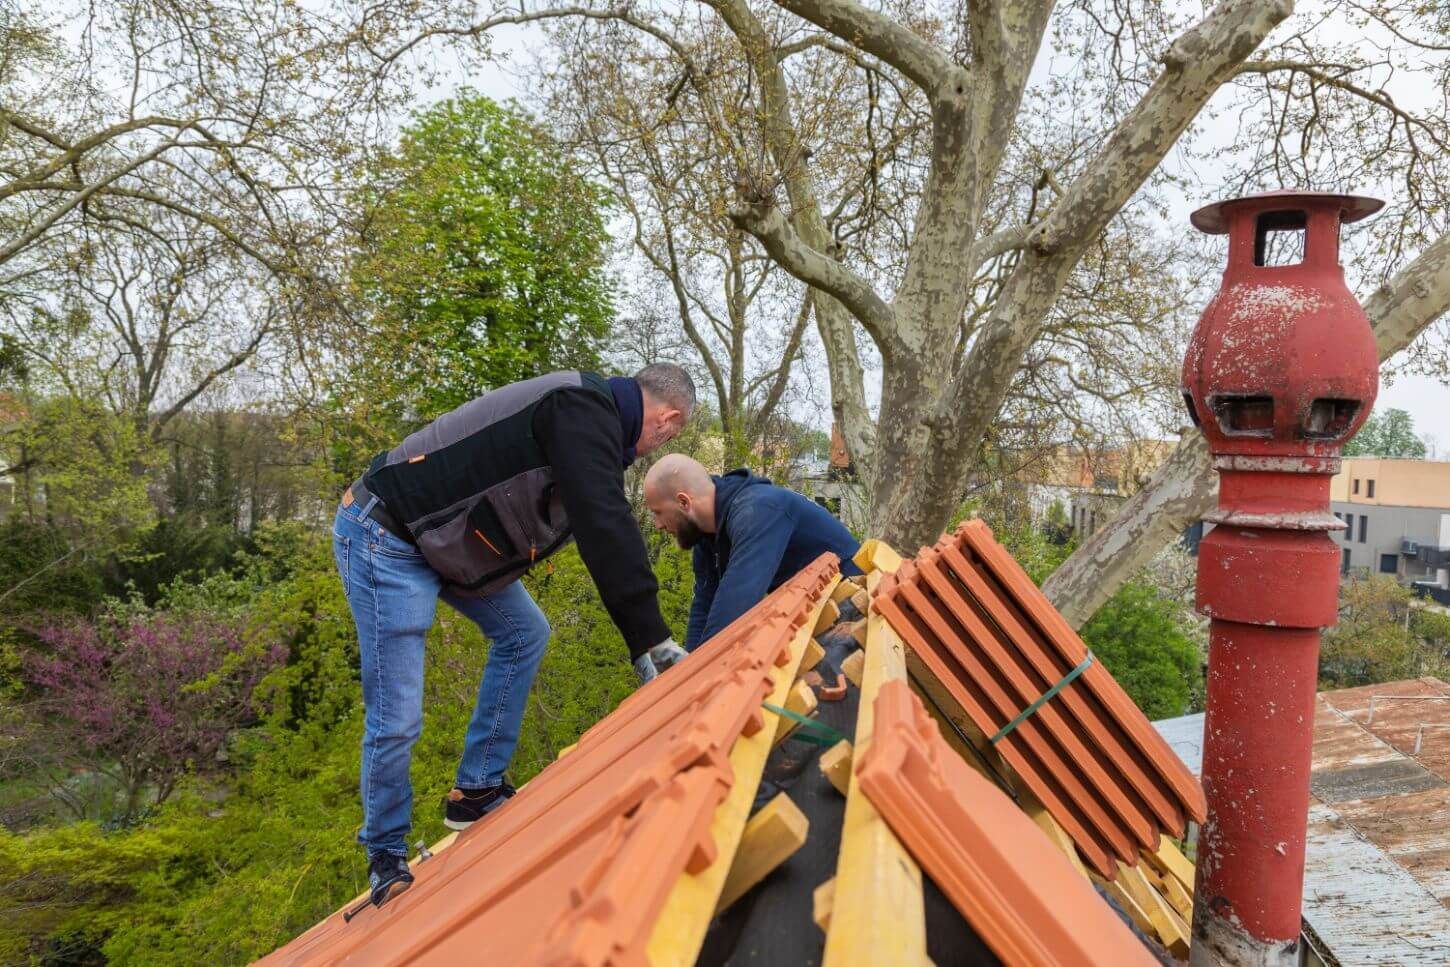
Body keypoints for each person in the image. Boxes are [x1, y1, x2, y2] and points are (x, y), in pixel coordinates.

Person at [333, 364, 695, 907]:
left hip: (445, 541)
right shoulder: (579, 409)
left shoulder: (589, 419)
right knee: (398, 715)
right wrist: (652, 641)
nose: (657, 446)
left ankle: (475, 789)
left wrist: (641, 639)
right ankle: (385, 854)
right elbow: (605, 524)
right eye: (670, 434)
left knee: (526, 633)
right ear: (667, 419)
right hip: (389, 534)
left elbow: (598, 514)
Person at [642, 454, 862, 651]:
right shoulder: (705, 534)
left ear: (683, 502)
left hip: (855, 607)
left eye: (658, 512)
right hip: (818, 615)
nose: (658, 524)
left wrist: (694, 685)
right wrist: (687, 669)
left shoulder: (758, 510)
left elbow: (734, 610)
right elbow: (705, 606)